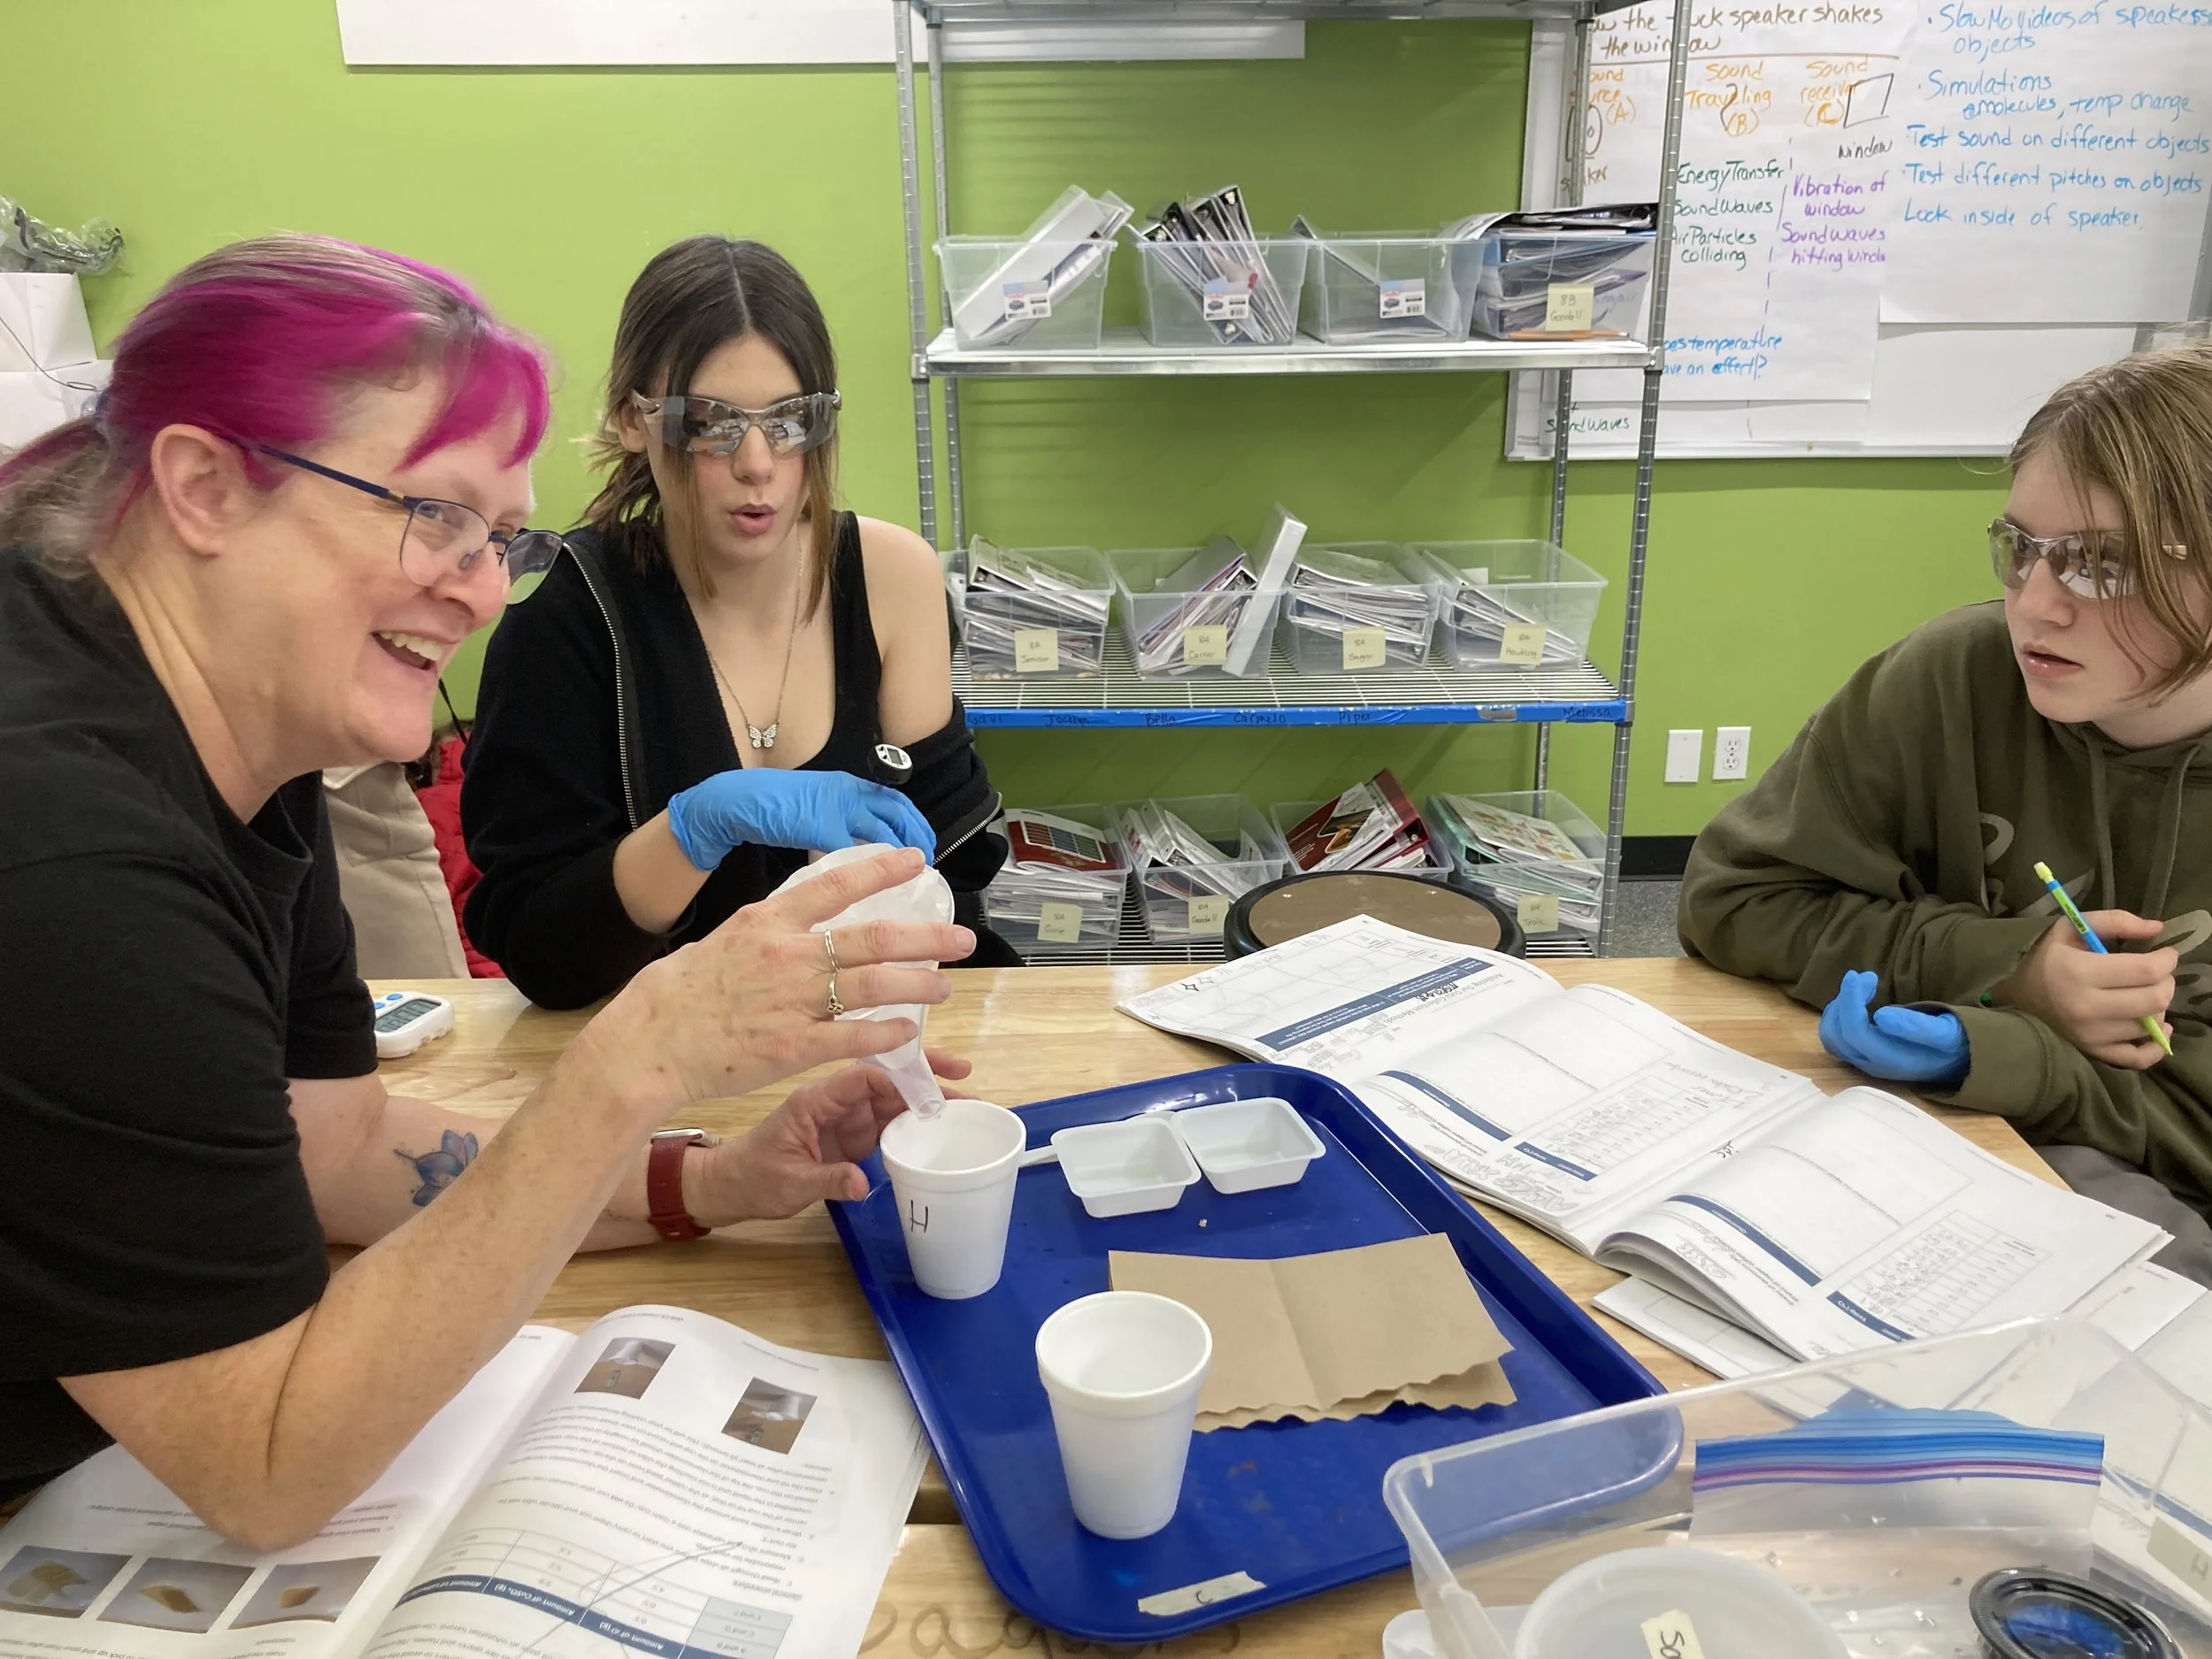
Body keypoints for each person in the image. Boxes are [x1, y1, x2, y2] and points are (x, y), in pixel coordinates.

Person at [0, 235, 974, 1540]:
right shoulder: (76, 854)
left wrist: (707, 1178)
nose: (475, 590)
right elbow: (270, 1467)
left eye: (498, 536)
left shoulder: (244, 711)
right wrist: (634, 1055)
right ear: (204, 488)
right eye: (433, 514)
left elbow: (336, 1147)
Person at [1678, 340, 2212, 1283]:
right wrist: (2003, 970)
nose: (2034, 607)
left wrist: (2006, 1044)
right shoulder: (1955, 675)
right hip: (1949, 1142)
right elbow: (1736, 900)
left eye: (2101, 565)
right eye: (2022, 550)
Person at [461, 236, 1013, 1011]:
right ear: (632, 419)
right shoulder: (567, 614)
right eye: (713, 422)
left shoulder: (892, 578)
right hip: (660, 1065)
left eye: (790, 420)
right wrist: (697, 825)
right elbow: (544, 956)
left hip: (867, 1034)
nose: (758, 463)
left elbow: (955, 868)